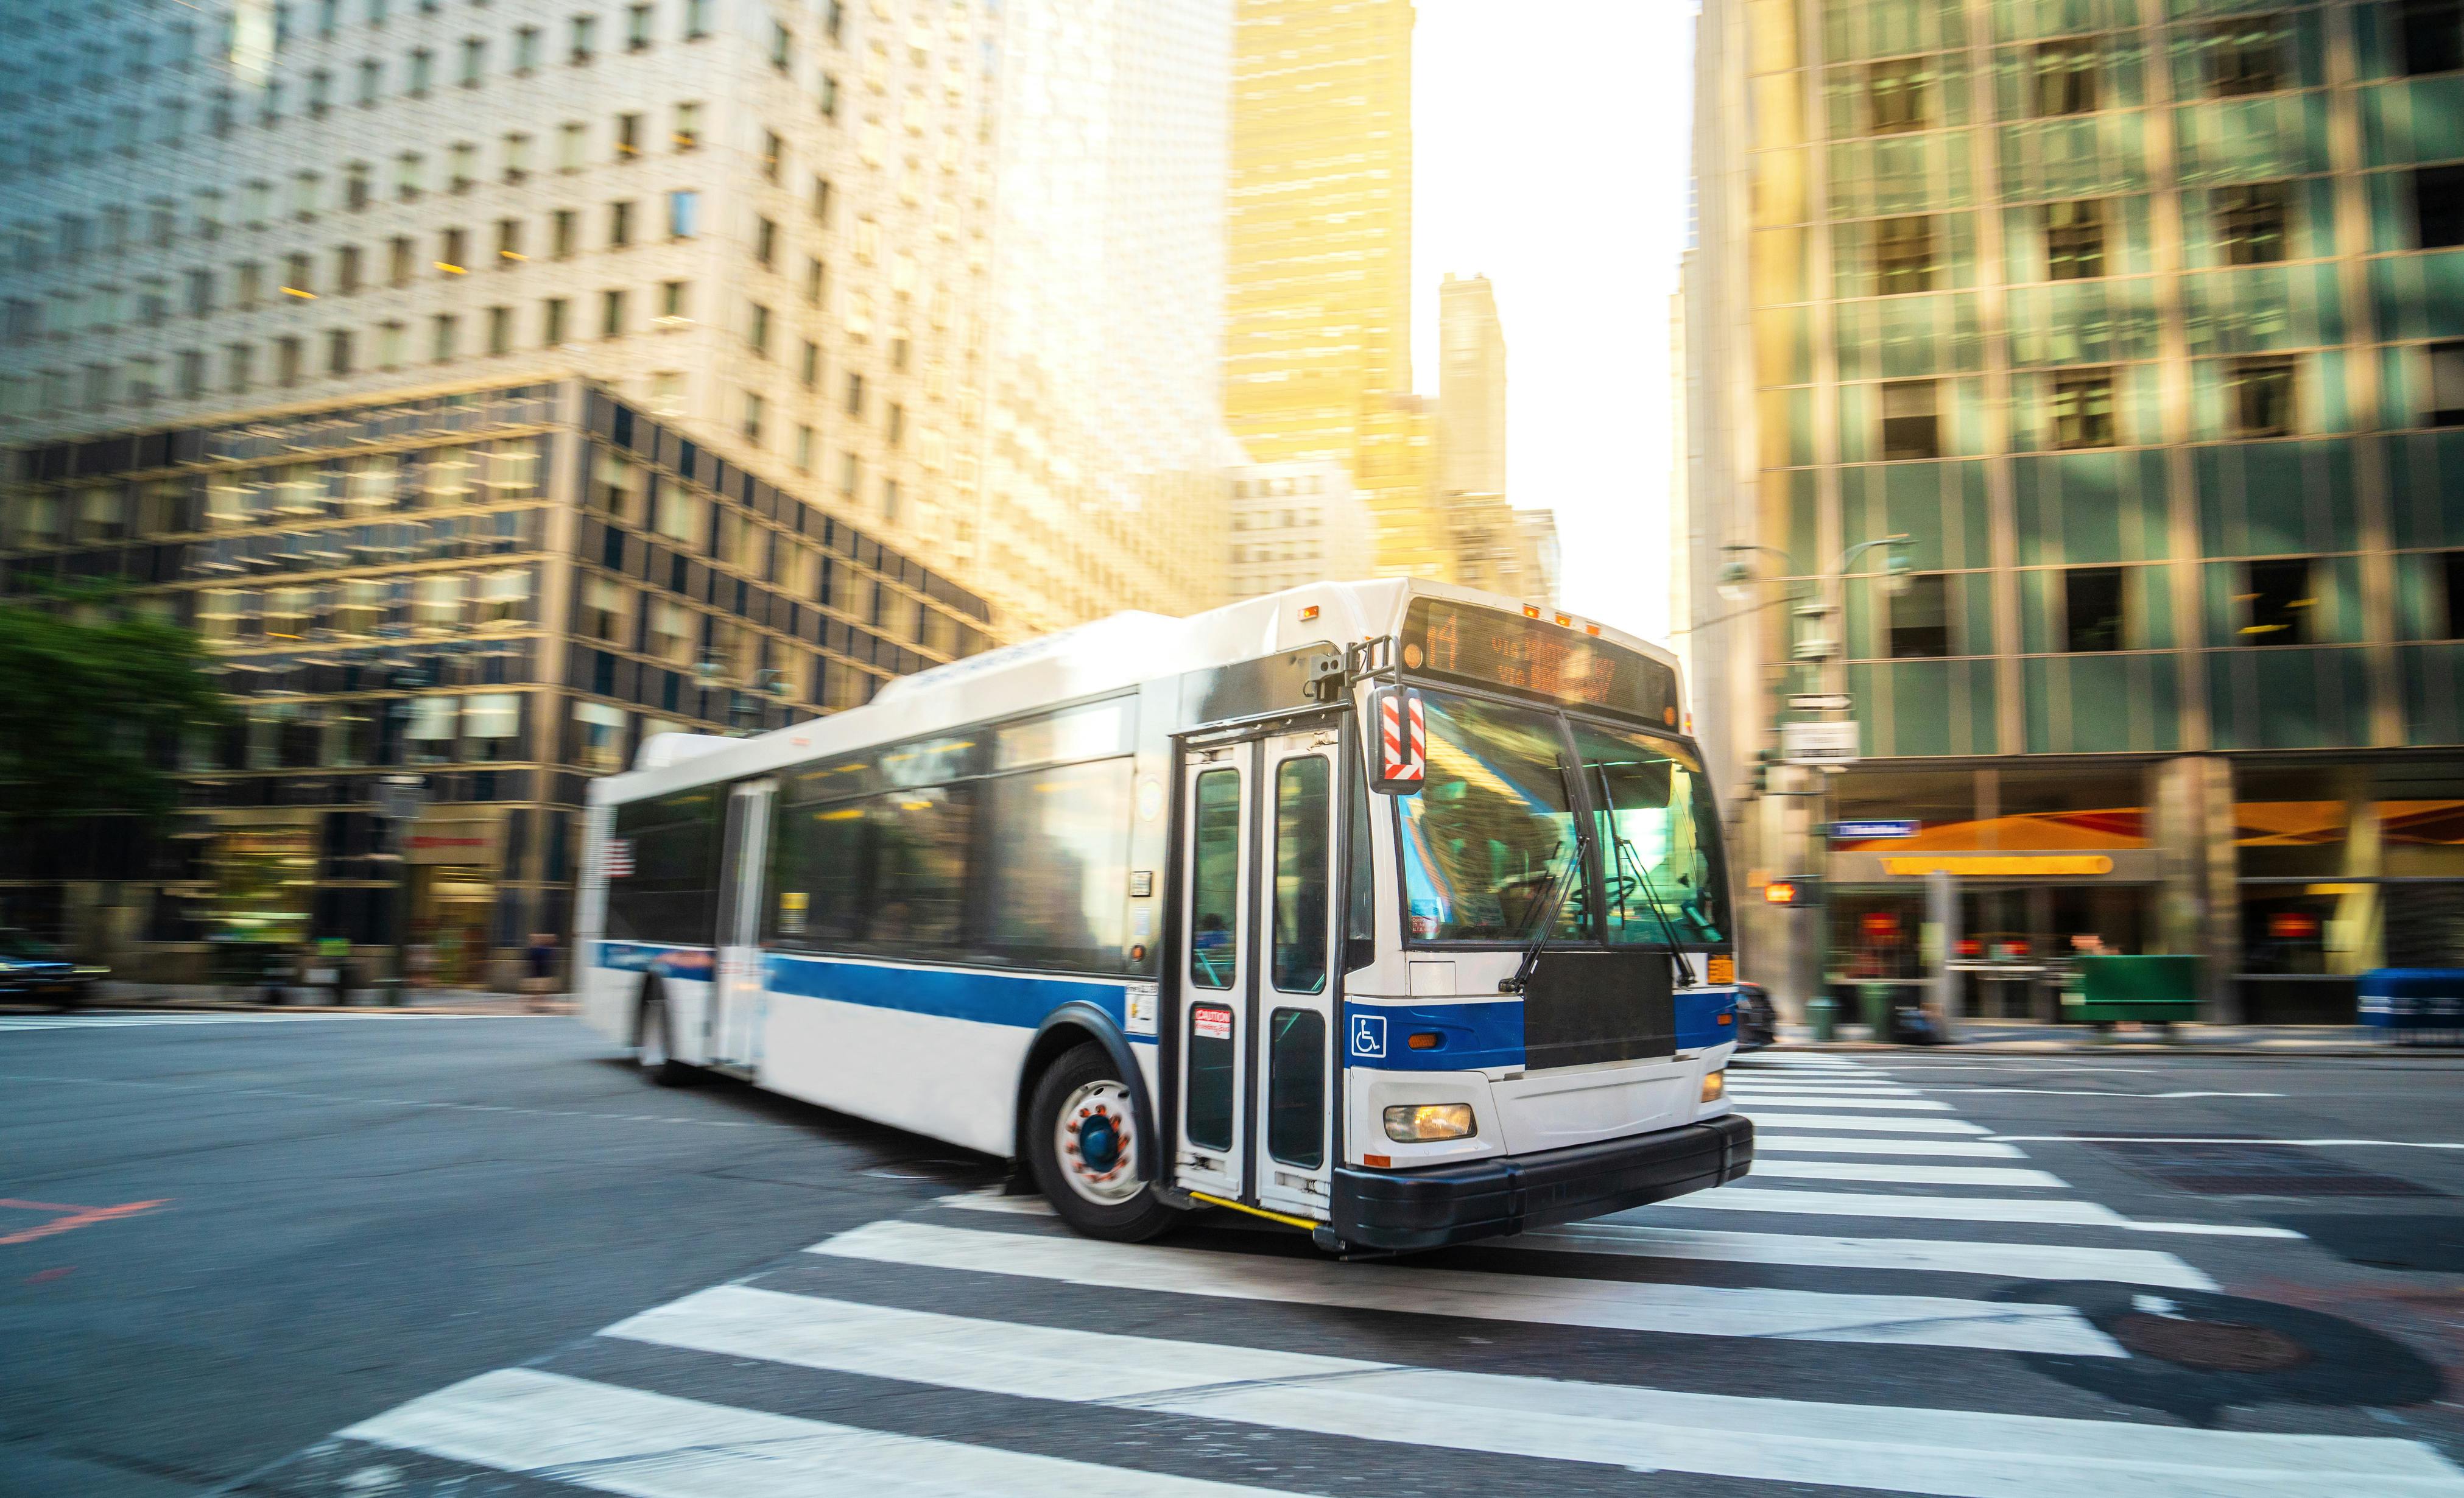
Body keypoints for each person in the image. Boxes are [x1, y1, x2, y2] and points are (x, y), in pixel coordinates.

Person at [522, 930, 560, 1012]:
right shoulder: (538, 950)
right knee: (539, 991)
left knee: (540, 992)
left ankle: (536, 1005)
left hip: (541, 973)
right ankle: (536, 1006)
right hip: (539, 974)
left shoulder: (540, 949)